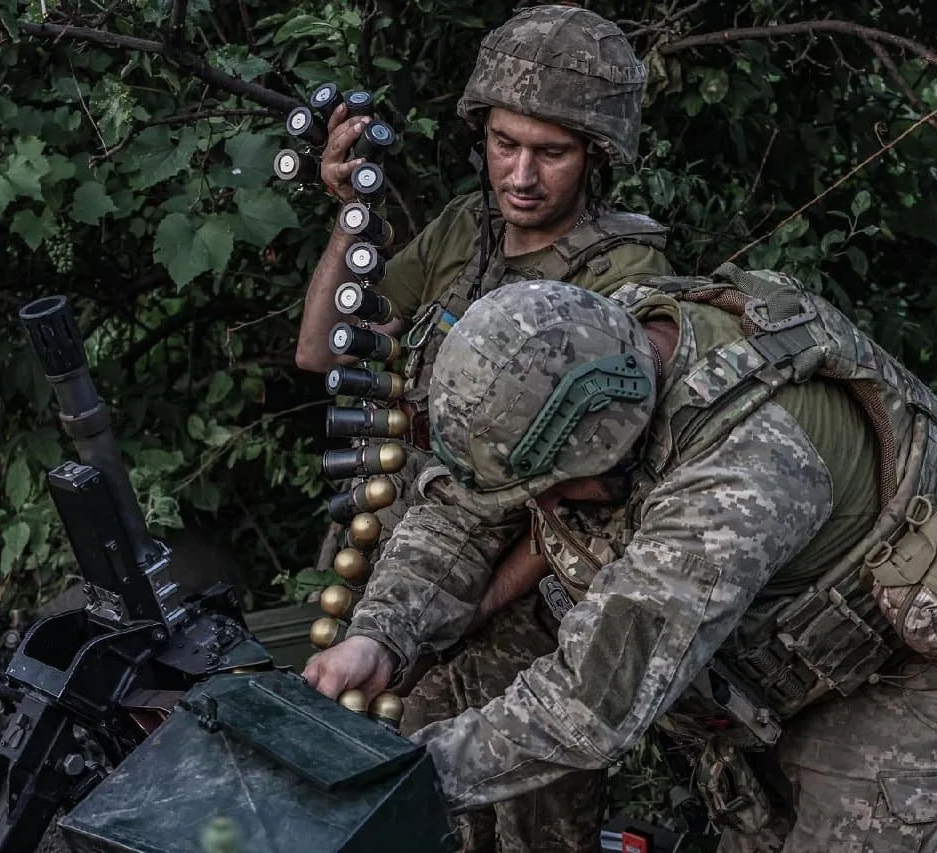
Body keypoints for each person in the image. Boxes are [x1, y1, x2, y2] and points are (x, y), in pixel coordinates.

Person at [305, 270, 937, 852]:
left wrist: (397, 777)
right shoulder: (585, 345)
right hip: (774, 646)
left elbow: (591, 701)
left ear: (608, 446)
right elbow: (469, 511)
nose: (553, 511)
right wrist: (381, 634)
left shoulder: (744, 475)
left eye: (561, 493)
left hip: (903, 666)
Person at [297, 7, 673, 849]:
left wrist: (468, 611)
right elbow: (323, 348)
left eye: (553, 151)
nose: (523, 174)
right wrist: (349, 215)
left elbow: (593, 488)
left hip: (529, 592)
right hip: (418, 556)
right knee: (397, 794)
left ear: (598, 156)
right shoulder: (467, 235)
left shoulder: (627, 275)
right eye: (506, 144)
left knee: (527, 818)